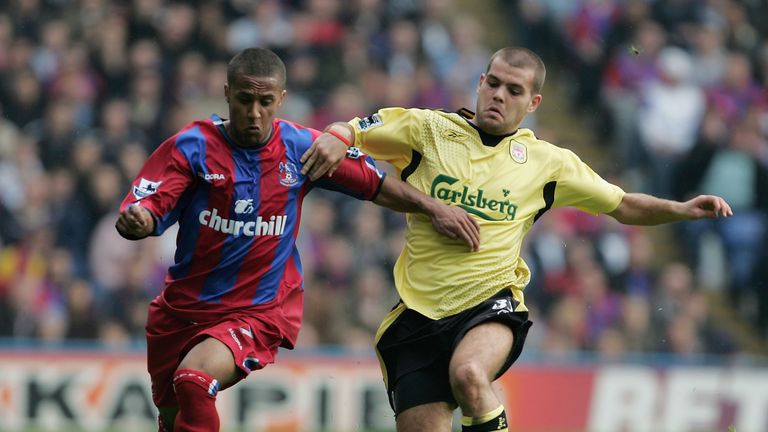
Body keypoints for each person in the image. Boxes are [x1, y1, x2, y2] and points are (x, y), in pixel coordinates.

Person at [300, 46, 733, 432]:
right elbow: (353, 128)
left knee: (470, 374)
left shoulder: (547, 163)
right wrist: (339, 138)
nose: (499, 96)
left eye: (513, 90)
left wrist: (680, 209)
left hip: (491, 303)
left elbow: (621, 205)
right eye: (493, 83)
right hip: (418, 316)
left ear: (533, 102)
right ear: (479, 82)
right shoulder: (426, 130)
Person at [114, 47, 480, 432]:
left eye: (265, 101)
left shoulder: (301, 149)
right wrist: (140, 220)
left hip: (256, 310)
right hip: (181, 310)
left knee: (194, 380)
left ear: (281, 100)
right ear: (227, 93)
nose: (254, 112)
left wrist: (434, 207)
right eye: (244, 99)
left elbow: (377, 186)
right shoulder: (193, 146)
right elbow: (150, 203)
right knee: (173, 420)